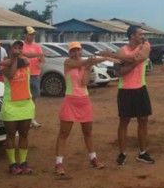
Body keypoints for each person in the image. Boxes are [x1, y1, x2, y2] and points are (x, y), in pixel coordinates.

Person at [53, 42, 111, 175]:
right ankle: (59, 163)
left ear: (81, 51)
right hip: (70, 101)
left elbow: (84, 83)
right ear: (69, 53)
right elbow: (85, 62)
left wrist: (90, 66)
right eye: (73, 51)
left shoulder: (85, 65)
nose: (76, 53)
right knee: (63, 133)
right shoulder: (68, 63)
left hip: (84, 101)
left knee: (88, 132)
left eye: (78, 50)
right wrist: (104, 58)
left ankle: (93, 158)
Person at [99, 25, 153, 165]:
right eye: (139, 34)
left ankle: (142, 152)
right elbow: (118, 72)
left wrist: (112, 55)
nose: (142, 36)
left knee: (143, 120)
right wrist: (129, 61)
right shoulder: (122, 50)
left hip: (140, 88)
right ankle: (122, 153)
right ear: (132, 36)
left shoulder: (145, 45)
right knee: (124, 121)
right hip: (125, 90)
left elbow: (141, 58)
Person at [0, 40, 36, 175]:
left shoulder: (23, 61)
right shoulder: (5, 65)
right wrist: (13, 59)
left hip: (26, 103)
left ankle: (23, 162)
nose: (18, 50)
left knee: (24, 134)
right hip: (11, 104)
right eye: (15, 47)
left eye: (20, 48)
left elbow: (26, 62)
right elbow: (11, 75)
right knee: (10, 134)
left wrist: (14, 58)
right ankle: (12, 163)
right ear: (9, 50)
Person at [22, 26, 45, 128]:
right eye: (30, 34)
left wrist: (41, 63)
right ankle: (25, 119)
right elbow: (25, 54)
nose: (32, 36)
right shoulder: (21, 46)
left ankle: (31, 118)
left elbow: (42, 58)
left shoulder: (37, 46)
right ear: (25, 35)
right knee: (25, 98)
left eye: (33, 34)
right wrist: (38, 55)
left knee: (34, 98)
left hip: (35, 75)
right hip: (25, 76)